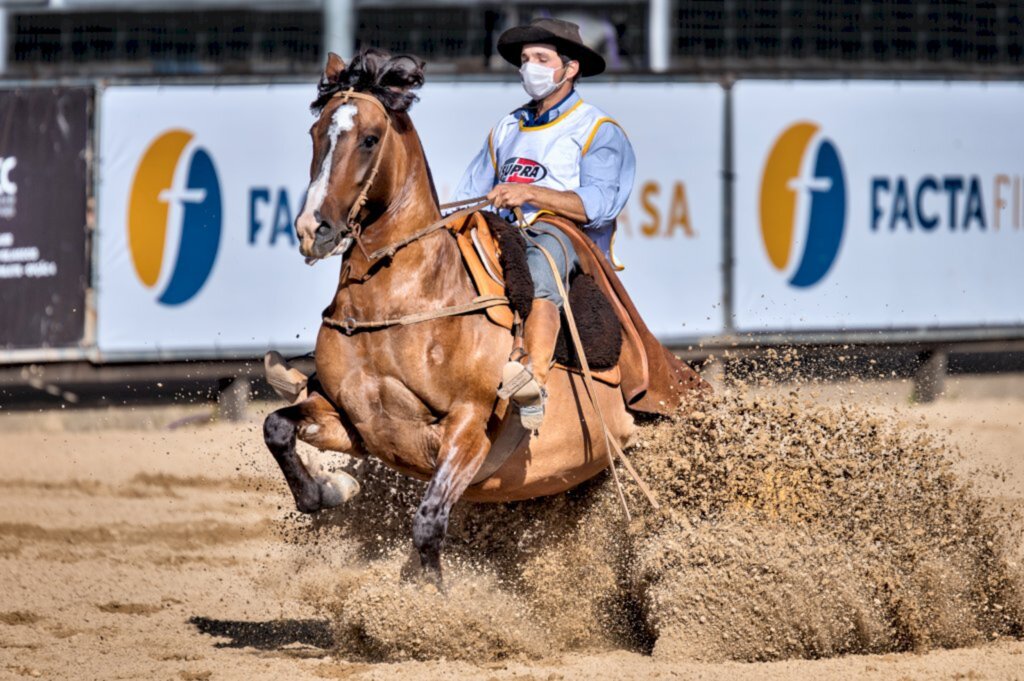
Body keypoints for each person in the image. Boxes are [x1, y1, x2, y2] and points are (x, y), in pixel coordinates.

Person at [452, 17, 635, 429]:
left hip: (568, 240)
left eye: (540, 58)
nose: (528, 67)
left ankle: (533, 378)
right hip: (502, 232)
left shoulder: (597, 129)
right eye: (524, 59)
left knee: (542, 254)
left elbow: (598, 206)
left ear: (570, 69)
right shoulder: (506, 127)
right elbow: (468, 193)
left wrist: (529, 193)